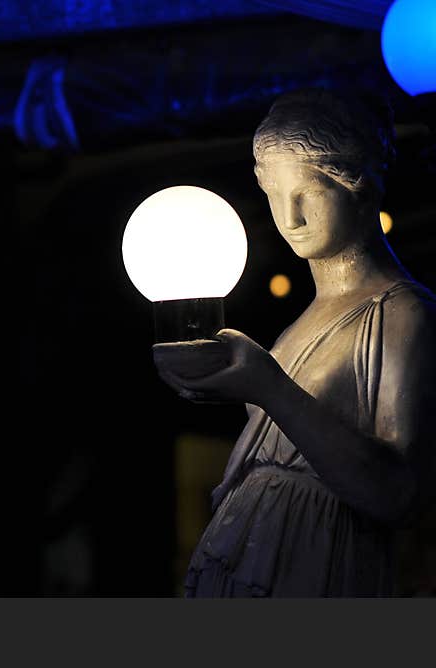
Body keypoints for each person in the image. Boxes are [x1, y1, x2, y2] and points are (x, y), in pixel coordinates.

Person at [153, 88, 436, 596]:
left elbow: (398, 493)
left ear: (362, 187)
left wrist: (267, 385)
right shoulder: (299, 325)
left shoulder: (402, 314)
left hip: (320, 567)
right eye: (274, 196)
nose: (291, 217)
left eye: (311, 193)